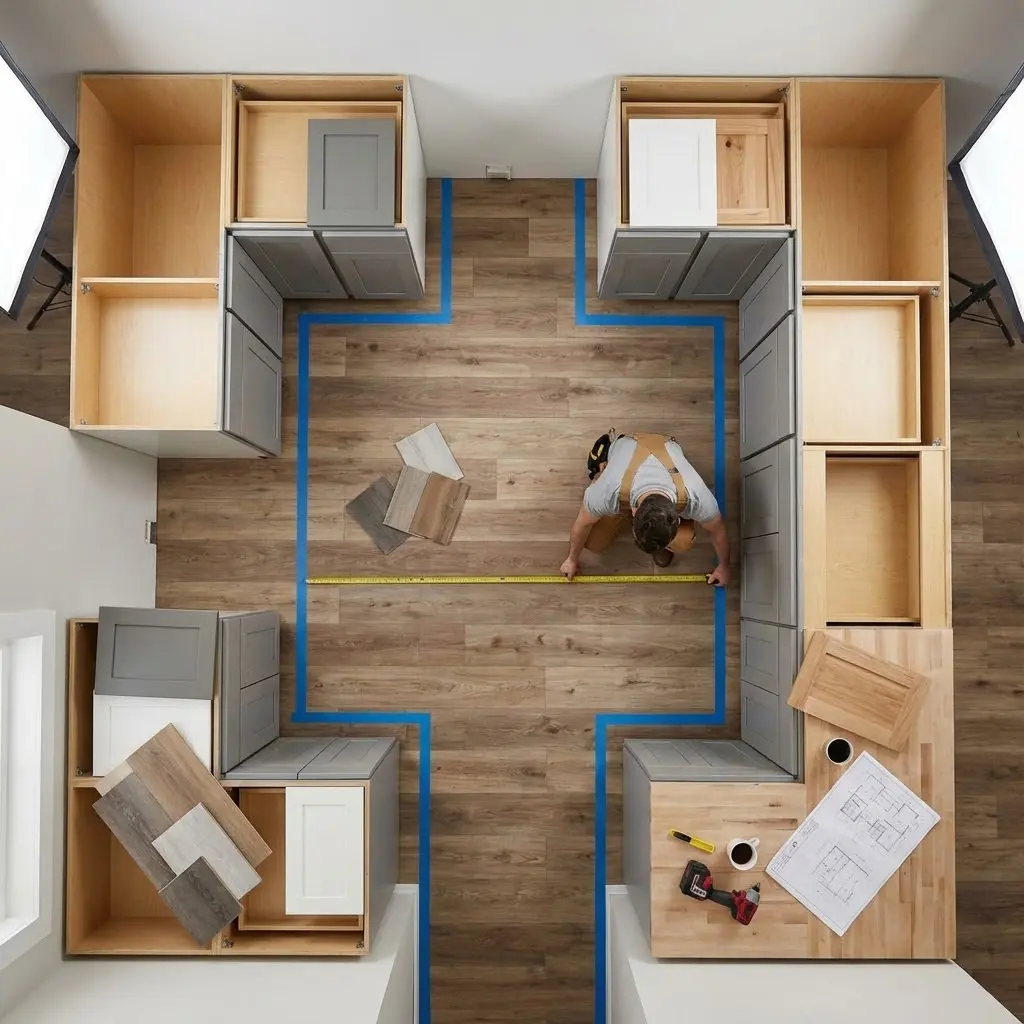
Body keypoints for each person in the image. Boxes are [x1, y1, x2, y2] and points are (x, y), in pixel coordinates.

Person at [559, 431, 731, 585]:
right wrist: (572, 559)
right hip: (627, 449)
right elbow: (582, 523)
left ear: (678, 517)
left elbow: (718, 529)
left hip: (667, 449)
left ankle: (655, 538)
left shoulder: (696, 495)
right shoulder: (607, 490)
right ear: (633, 513)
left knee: (683, 542)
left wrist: (724, 566)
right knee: (594, 542)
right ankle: (604, 464)